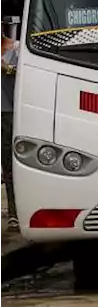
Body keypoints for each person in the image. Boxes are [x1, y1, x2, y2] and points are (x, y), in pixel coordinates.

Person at [0, 34, 15, 230]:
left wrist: (7, 69)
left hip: (7, 112)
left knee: (10, 166)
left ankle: (14, 213)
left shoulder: (15, 48)